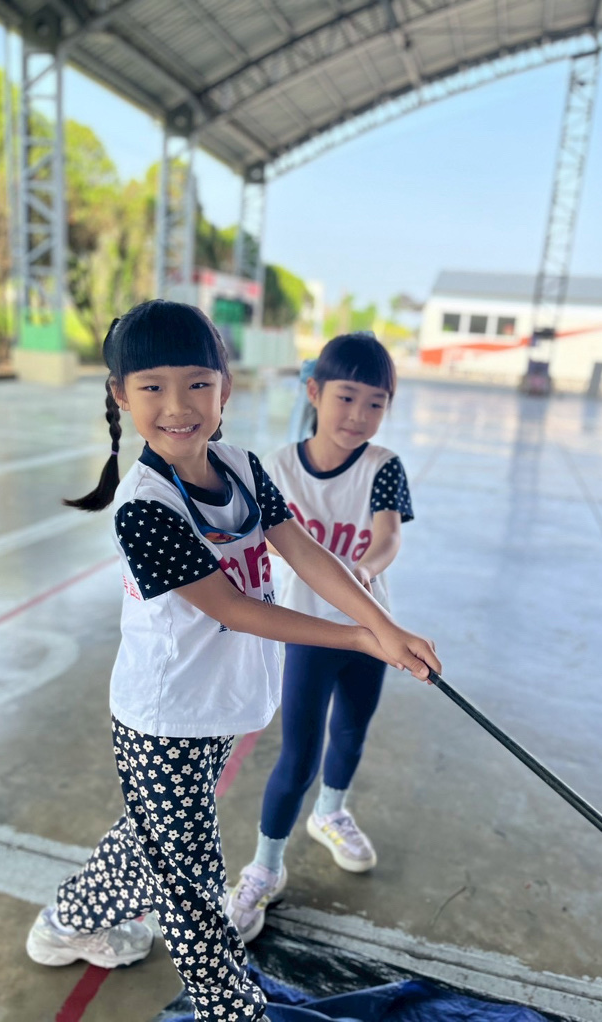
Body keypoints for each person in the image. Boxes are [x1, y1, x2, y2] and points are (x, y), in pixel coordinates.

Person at [25, 302, 440, 1022]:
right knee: (191, 893)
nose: (178, 406)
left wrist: (383, 623)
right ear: (120, 395)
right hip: (164, 721)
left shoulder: (243, 466)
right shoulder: (144, 507)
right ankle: (233, 1011)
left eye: (197, 383)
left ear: (226, 388)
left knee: (153, 840)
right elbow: (234, 609)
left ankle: (64, 923)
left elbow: (303, 549)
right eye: (152, 387)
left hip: (216, 704)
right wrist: (357, 639)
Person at [225, 333, 416, 944]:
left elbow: (388, 536)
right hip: (309, 630)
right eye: (347, 397)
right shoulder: (277, 468)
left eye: (375, 403)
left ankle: (331, 813)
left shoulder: (383, 466)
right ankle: (265, 866)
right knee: (298, 751)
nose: (359, 415)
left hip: (371, 628)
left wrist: (368, 567)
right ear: (314, 392)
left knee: (352, 730)